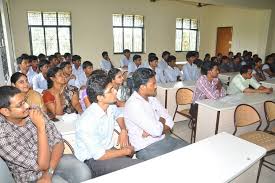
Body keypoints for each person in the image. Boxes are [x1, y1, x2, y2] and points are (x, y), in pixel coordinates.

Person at [0, 86, 91, 183]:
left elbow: (58, 142)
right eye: (20, 104)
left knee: (83, 172)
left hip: (54, 160)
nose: (27, 106)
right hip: (32, 176)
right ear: (5, 111)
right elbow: (42, 165)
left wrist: (49, 172)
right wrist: (41, 128)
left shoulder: (35, 110)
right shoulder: (3, 136)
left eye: (25, 100)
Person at [75, 71, 142, 178]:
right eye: (111, 90)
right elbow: (99, 155)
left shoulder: (109, 106)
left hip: (108, 151)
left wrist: (123, 130)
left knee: (138, 164)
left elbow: (119, 114)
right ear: (99, 97)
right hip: (92, 161)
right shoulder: (87, 121)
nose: (115, 91)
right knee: (137, 167)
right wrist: (125, 151)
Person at [124, 68, 189, 160]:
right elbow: (157, 130)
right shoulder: (133, 105)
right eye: (153, 84)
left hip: (162, 139)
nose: (155, 86)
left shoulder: (152, 99)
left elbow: (170, 121)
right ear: (142, 87)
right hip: (146, 147)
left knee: (190, 150)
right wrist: (161, 121)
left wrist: (154, 129)